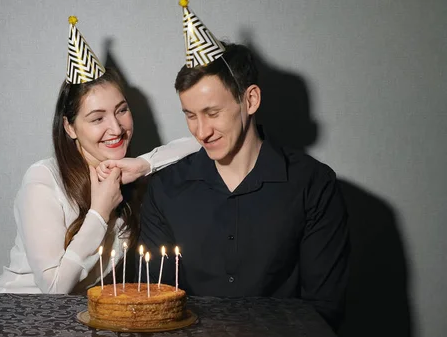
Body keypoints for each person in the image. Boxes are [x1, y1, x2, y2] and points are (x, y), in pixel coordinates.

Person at [136, 3, 349, 330]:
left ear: (250, 100)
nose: (201, 131)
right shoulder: (165, 191)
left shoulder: (313, 185)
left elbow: (323, 310)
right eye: (190, 116)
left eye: (212, 112)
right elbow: (156, 307)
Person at [0, 17, 200, 294]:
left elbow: (203, 142)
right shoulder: (43, 179)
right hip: (13, 314)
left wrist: (144, 164)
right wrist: (99, 212)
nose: (116, 128)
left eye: (121, 110)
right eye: (97, 118)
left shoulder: (128, 177)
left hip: (75, 321)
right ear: (70, 127)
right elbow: (53, 290)